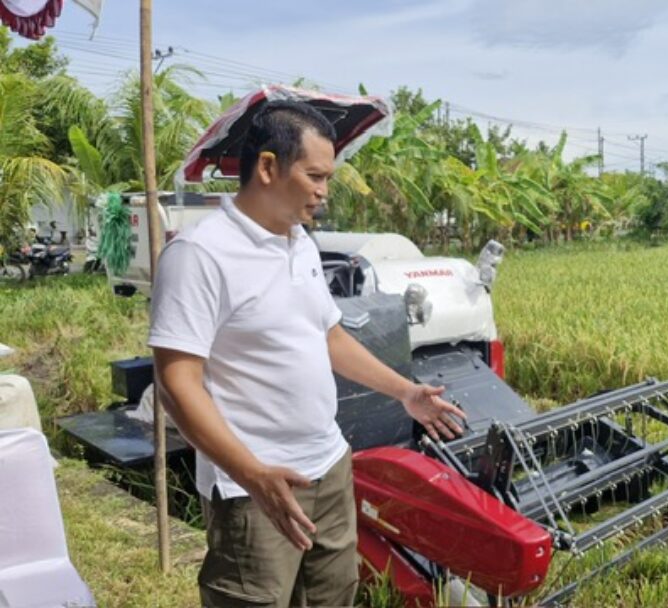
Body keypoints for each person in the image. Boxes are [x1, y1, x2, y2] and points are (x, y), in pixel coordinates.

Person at [149, 100, 466, 607]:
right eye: (315, 175)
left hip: (328, 464)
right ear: (269, 167)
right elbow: (176, 383)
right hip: (254, 489)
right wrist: (253, 476)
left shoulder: (300, 243)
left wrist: (406, 392)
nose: (324, 191)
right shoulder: (200, 254)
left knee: (332, 596)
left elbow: (328, 337)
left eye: (329, 178)